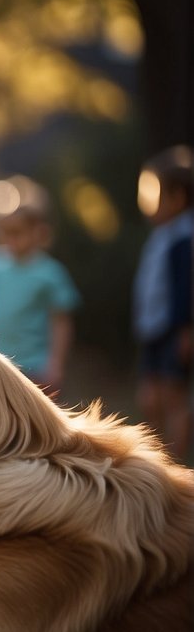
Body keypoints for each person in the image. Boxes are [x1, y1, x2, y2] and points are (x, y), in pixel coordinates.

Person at [0, 176, 80, 397]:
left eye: (17, 233)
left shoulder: (50, 273)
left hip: (35, 367)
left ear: (39, 231)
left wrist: (55, 362)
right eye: (5, 232)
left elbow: (61, 321)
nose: (10, 240)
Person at [133, 145, 193, 461]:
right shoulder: (161, 235)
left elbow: (186, 290)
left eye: (156, 194)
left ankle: (176, 466)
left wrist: (186, 330)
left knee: (173, 399)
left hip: (173, 330)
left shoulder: (184, 238)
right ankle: (156, 462)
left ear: (178, 198)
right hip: (153, 330)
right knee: (150, 400)